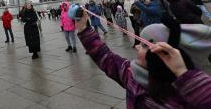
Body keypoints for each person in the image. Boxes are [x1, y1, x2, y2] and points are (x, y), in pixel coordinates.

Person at [76, 8, 211, 107]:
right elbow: (106, 58)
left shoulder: (185, 96)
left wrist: (185, 75)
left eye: (144, 45)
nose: (137, 47)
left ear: (162, 55)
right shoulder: (132, 74)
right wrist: (83, 29)